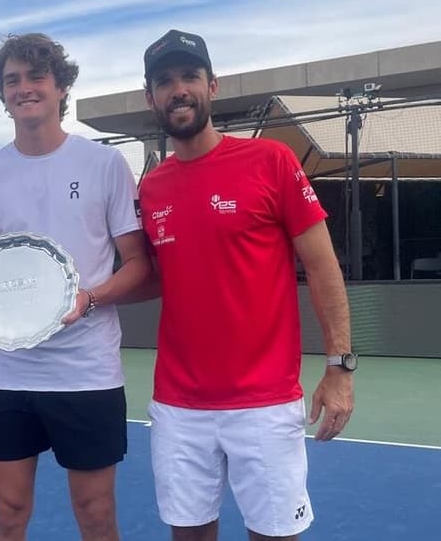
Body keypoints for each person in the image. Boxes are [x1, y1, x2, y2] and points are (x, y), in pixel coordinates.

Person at [136, 29, 354, 541]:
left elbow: (323, 267)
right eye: (164, 81)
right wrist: (82, 296)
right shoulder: (151, 188)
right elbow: (156, 276)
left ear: (212, 86)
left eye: (190, 76)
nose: (178, 90)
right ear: (151, 98)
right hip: (178, 406)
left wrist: (340, 368)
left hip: (264, 403)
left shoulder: (271, 161)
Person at [0, 33, 152, 541]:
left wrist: (90, 299)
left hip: (86, 373)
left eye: (36, 76)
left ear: (61, 86)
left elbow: (139, 264)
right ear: (3, 94)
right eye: (12, 80)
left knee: (95, 514)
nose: (24, 88)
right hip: (7, 376)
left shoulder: (104, 164)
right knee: (7, 514)